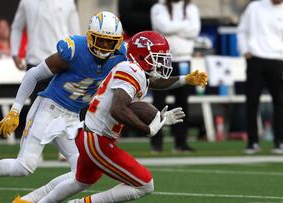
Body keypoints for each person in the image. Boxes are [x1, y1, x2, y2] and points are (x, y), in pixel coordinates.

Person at [0, 11, 127, 198]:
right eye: (101, 40)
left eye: (110, 41)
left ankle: (30, 200)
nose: (106, 46)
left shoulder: (121, 56)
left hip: (72, 117)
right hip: (48, 108)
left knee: (81, 174)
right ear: (90, 37)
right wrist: (15, 111)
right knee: (24, 166)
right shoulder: (74, 50)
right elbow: (33, 74)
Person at [33, 31, 207, 203]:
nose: (161, 62)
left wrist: (184, 80)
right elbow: (117, 109)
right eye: (157, 57)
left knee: (82, 181)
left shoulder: (136, 71)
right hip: (97, 139)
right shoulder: (131, 71)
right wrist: (149, 129)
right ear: (141, 56)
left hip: (90, 135)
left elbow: (154, 82)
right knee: (145, 184)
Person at [10, 0, 81, 142]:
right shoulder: (27, 2)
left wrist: (77, 60)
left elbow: (76, 33)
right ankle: (30, 146)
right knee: (35, 108)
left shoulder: (67, 2)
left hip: (62, 60)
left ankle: (65, 149)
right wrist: (14, 52)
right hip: (36, 60)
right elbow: (17, 27)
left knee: (67, 107)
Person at [150, 0, 201, 153]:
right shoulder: (158, 7)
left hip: (184, 59)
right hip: (162, 60)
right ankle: (156, 143)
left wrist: (173, 28)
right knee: (159, 102)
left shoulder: (191, 8)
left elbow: (195, 31)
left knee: (183, 102)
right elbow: (163, 27)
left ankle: (181, 143)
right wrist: (185, 25)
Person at [237, 0, 283, 154]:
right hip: (255, 59)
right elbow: (242, 30)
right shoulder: (255, 6)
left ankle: (279, 141)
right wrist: (245, 49)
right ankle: (252, 142)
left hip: (278, 60)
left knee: (280, 102)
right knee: (252, 101)